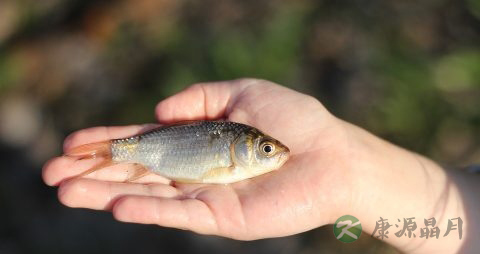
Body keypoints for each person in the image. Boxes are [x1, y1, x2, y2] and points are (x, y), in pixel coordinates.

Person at [42, 79, 479, 253]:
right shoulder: (233, 148)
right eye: (267, 150)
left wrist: (349, 175)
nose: (275, 154)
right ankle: (103, 153)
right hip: (154, 151)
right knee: (107, 157)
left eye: (266, 150)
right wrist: (353, 171)